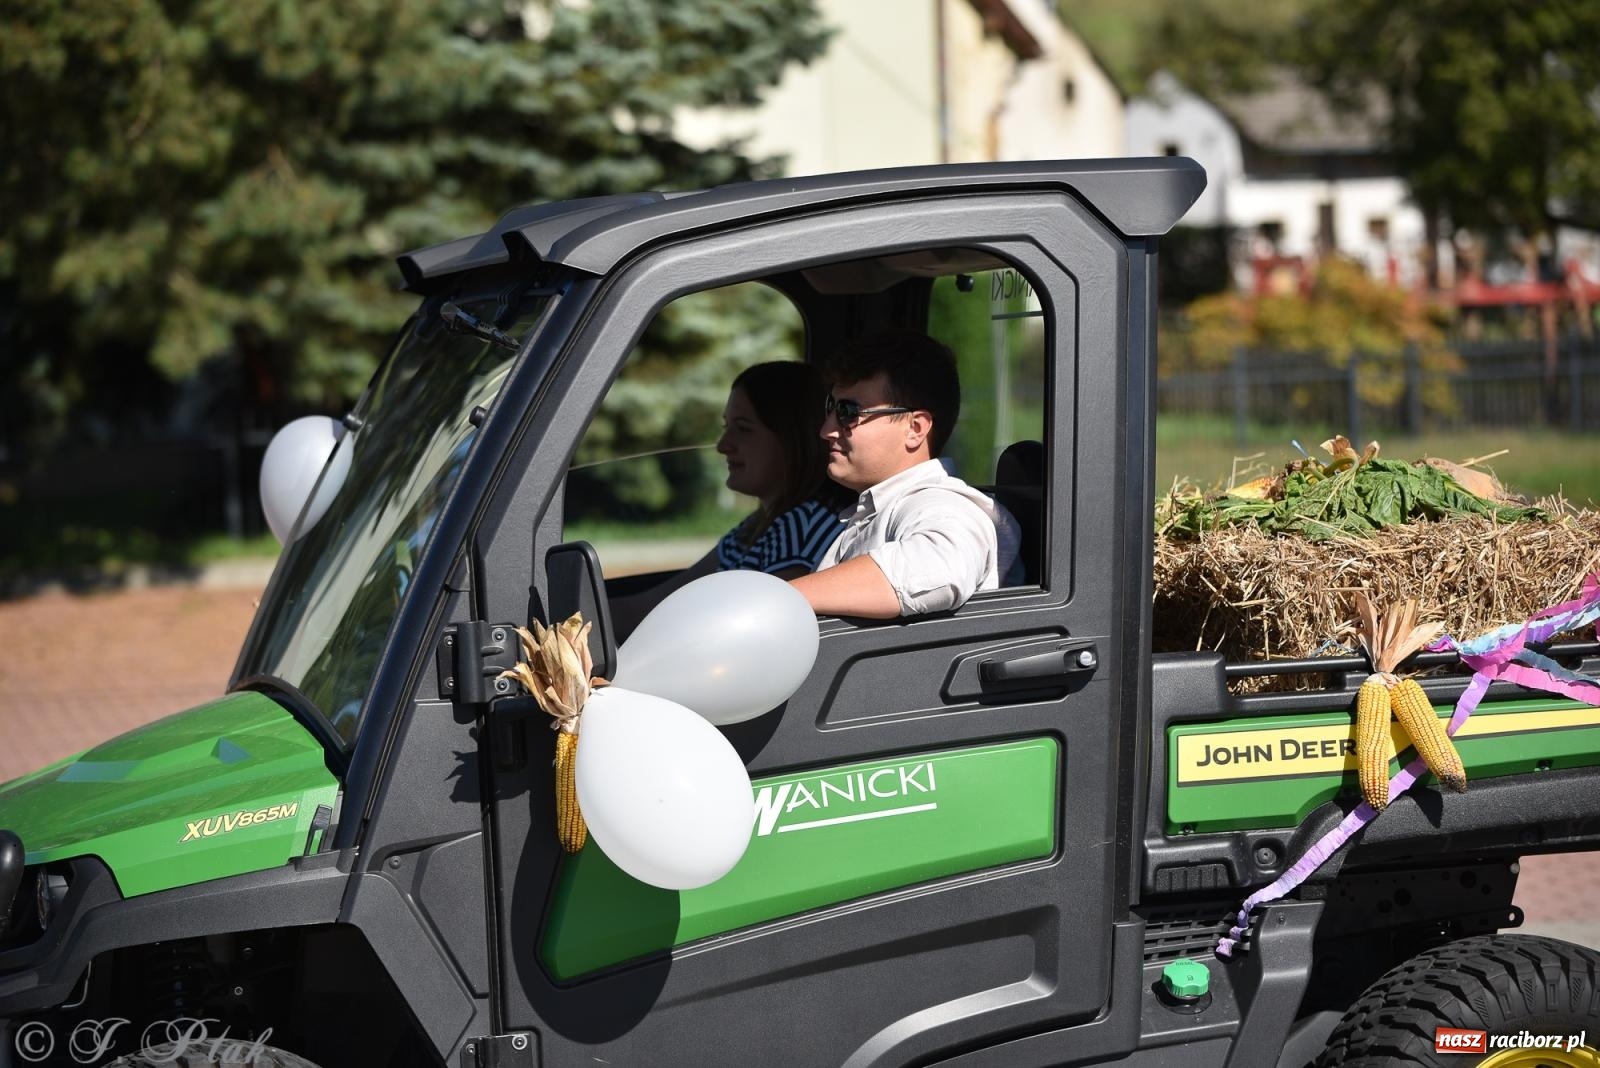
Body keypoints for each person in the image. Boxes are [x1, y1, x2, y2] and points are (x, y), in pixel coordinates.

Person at [789, 331, 1020, 619]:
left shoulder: (944, 506)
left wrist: (775, 598)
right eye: (830, 408)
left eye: (848, 412)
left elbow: (942, 567)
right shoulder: (882, 508)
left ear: (915, 428)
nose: (827, 430)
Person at [609, 361, 848, 634]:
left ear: (793, 437)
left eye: (743, 429)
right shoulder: (756, 527)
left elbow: (769, 629)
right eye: (726, 427)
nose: (723, 445)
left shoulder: (798, 526)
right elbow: (652, 606)